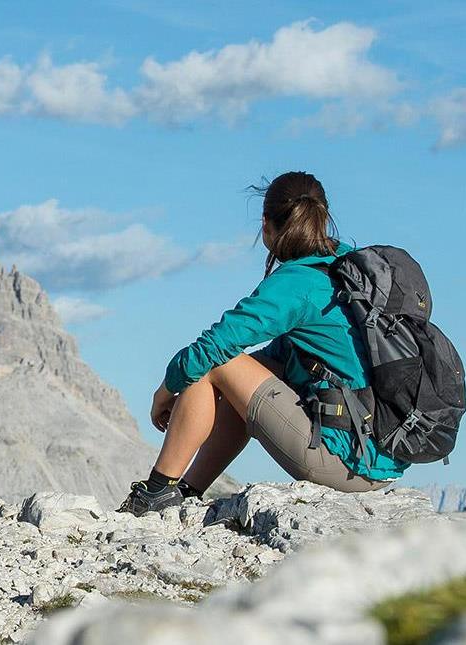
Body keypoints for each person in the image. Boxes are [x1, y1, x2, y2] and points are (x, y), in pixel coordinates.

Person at [120, 171, 407, 514]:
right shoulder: (346, 269)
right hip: (379, 456)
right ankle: (185, 492)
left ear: (266, 223)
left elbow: (214, 348)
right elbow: (281, 359)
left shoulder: (296, 283)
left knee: (214, 363)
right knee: (236, 370)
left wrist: (164, 393)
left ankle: (155, 493)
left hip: (346, 461)